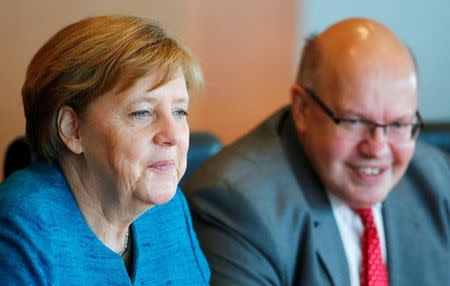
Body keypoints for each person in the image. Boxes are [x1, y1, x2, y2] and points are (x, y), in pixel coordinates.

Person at [186, 18, 450, 286]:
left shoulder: (436, 178)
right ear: (302, 108)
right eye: (354, 121)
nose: (377, 148)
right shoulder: (235, 204)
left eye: (398, 124)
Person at [0, 15, 210, 285]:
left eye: (179, 111)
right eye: (142, 112)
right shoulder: (20, 229)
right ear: (73, 129)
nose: (173, 135)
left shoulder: (167, 210)